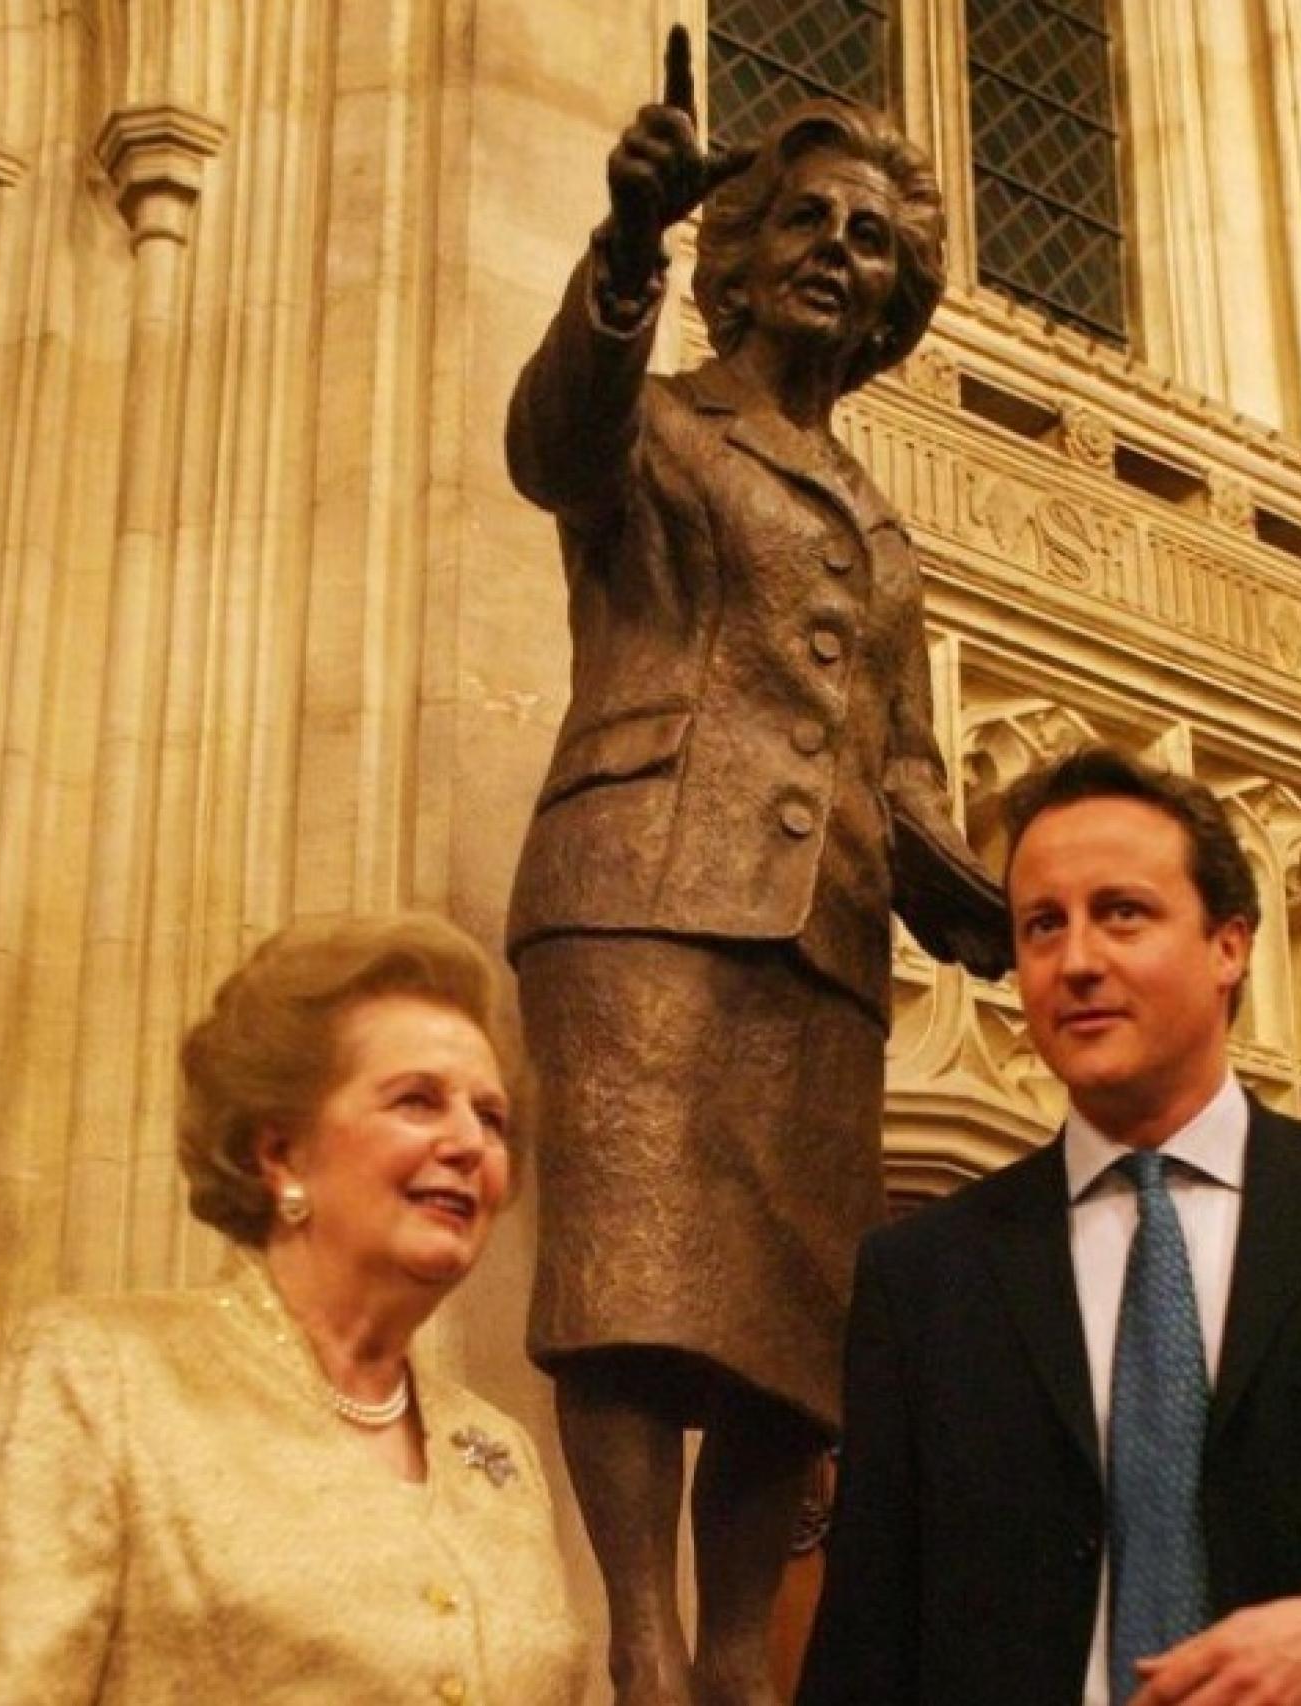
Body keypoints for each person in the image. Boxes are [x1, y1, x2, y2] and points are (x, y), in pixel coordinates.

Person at [504, 27, 1007, 1706]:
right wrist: (620, 249)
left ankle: (735, 1668)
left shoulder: (884, 522)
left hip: (830, 956)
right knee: (636, 1286)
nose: (836, 256)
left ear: (890, 303)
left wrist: (992, 897)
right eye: (807, 221)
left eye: (869, 241)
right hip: (646, 888)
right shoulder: (653, 422)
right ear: (740, 249)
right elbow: (548, 448)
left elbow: (903, 760)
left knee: (792, 1361)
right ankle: (641, 1651)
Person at [797, 745, 1301, 1706]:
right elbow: (866, 1638)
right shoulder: (925, 1274)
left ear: (1229, 945)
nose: (1077, 961)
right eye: (1043, 926)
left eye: (1122, 913)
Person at [0, 915, 586, 1705]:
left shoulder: (497, 1453)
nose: (470, 1142)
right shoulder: (103, 1375)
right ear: (282, 1153)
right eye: (417, 1102)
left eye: (492, 1118)